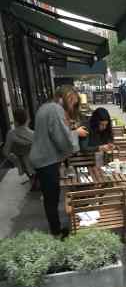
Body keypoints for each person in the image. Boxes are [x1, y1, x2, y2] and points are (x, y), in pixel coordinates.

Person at [30, 86, 88, 238]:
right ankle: (56, 232)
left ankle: (55, 229)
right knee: (52, 198)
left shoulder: (45, 107)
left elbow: (56, 134)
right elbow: (63, 140)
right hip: (46, 160)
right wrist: (76, 132)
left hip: (41, 157)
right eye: (73, 101)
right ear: (67, 97)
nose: (72, 106)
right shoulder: (56, 110)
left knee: (51, 197)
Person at [3, 108, 37, 189]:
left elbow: (5, 152)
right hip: (36, 164)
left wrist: (16, 160)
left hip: (22, 164)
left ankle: (33, 179)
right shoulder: (34, 135)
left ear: (15, 121)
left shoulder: (10, 134)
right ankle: (35, 180)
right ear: (28, 120)